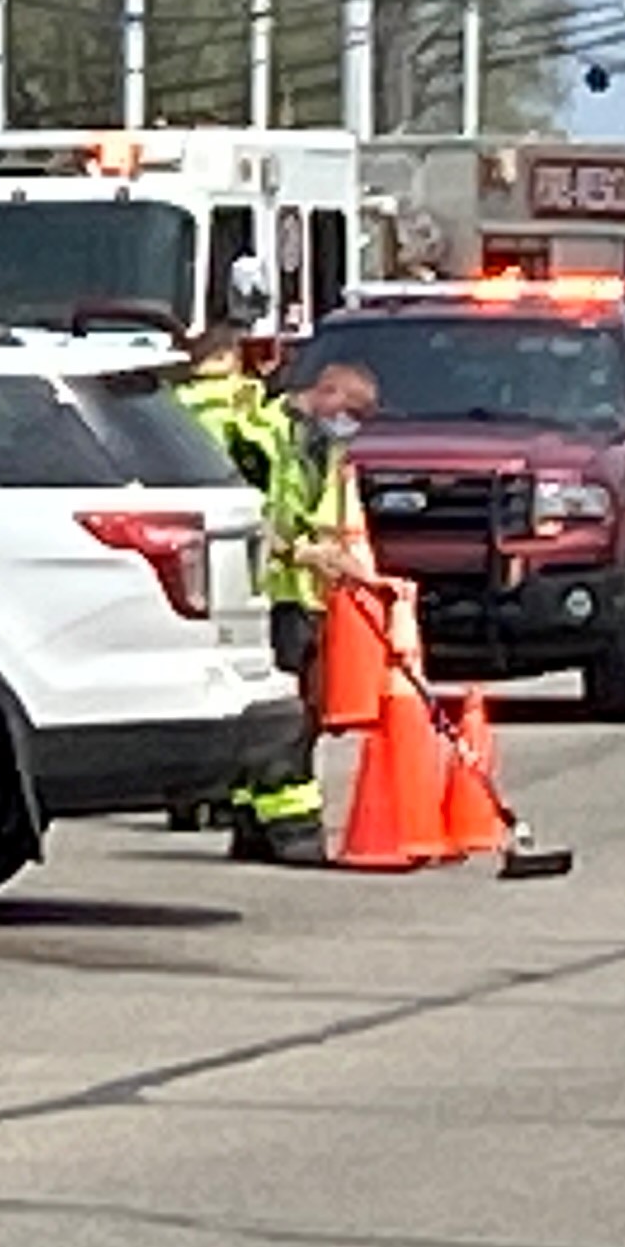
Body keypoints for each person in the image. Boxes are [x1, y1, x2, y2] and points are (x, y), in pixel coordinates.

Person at [179, 329, 372, 866]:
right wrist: (303, 555)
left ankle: (251, 825)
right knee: (286, 719)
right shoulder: (259, 436)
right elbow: (247, 517)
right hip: (264, 593)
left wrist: (341, 566)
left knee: (288, 714)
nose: (355, 423)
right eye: (353, 409)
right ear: (327, 392)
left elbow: (320, 518)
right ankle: (294, 831)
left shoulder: (315, 445)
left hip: (297, 596)